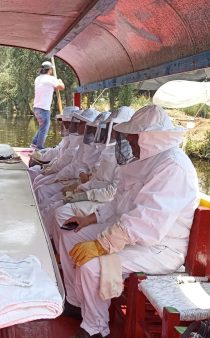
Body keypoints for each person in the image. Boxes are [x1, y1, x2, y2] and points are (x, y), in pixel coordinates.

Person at [58, 105, 199, 338]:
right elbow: (118, 205)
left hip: (160, 248)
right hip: (132, 235)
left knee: (92, 267)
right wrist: (89, 219)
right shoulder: (141, 160)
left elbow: (146, 223)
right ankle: (75, 301)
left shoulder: (172, 166)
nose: (130, 144)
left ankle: (95, 329)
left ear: (148, 138)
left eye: (134, 139)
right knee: (71, 235)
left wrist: (101, 245)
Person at [49, 107, 135, 252]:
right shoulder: (108, 149)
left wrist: (85, 193)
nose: (113, 131)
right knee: (55, 204)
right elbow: (95, 176)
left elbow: (112, 192)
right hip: (103, 201)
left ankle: (60, 251)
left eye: (116, 128)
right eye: (112, 127)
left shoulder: (127, 155)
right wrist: (81, 187)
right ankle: (57, 249)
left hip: (105, 203)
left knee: (60, 211)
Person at [31, 61, 65, 150]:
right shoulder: (50, 79)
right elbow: (62, 87)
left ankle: (34, 143)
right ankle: (39, 147)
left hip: (36, 108)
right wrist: (60, 80)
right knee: (45, 127)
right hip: (43, 108)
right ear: (49, 69)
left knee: (42, 126)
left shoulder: (37, 78)